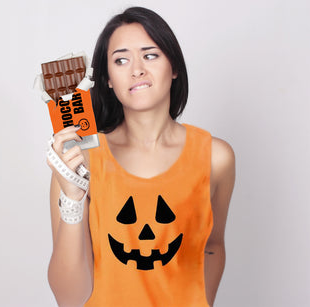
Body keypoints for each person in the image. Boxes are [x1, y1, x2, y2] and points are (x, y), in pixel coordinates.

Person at [46, 7, 235, 307]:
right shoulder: (83, 162)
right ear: (107, 78)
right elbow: (69, 299)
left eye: (150, 55)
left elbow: (212, 246)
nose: (137, 70)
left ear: (174, 67)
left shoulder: (216, 157)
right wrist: (72, 197)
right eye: (121, 60)